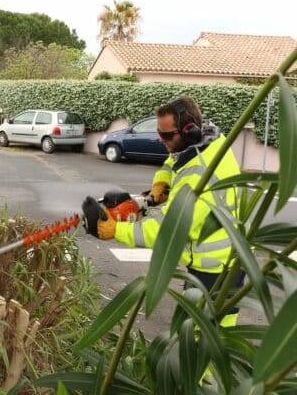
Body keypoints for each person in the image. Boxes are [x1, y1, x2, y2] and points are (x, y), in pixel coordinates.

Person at [83, 95, 244, 327]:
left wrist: (115, 229)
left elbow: (167, 231)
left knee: (206, 339)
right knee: (208, 330)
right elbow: (173, 161)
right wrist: (162, 183)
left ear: (189, 131)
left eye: (167, 135)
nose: (161, 140)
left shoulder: (200, 175)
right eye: (159, 133)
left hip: (216, 269)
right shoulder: (209, 143)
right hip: (219, 261)